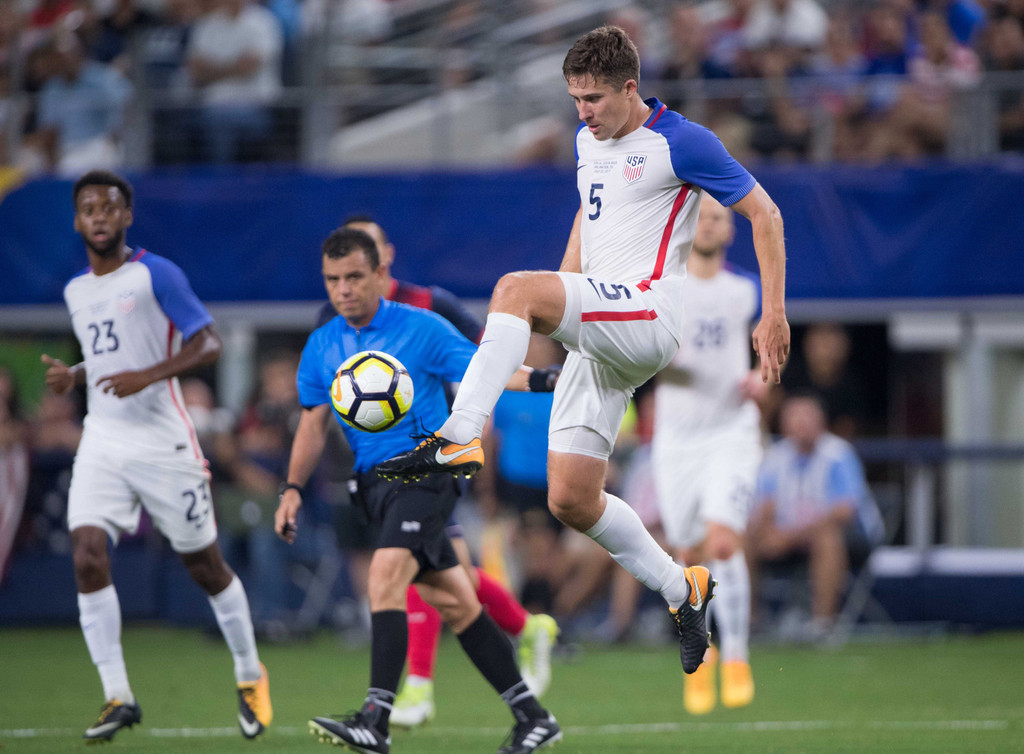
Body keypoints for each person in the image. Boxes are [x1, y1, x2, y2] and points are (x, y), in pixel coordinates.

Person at [378, 24, 791, 678]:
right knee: (570, 497)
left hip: (649, 312)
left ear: (631, 88)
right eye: (575, 98)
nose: (583, 111)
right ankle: (683, 590)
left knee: (512, 286)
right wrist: (562, 300)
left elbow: (765, 214)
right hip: (602, 322)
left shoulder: (681, 141)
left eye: (594, 98)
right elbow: (588, 219)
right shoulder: (587, 140)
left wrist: (772, 313)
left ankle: (458, 436)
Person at [274, 227, 561, 754]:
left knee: (385, 576)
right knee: (457, 602)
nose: (344, 289)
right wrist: (291, 488)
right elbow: (313, 424)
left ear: (379, 273)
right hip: (373, 484)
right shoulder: (321, 344)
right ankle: (532, 716)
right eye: (333, 280)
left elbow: (487, 369)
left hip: (427, 474)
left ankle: (374, 719)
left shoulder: (422, 328)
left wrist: (549, 379)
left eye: (354, 277)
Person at [40, 170, 272, 742]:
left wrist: (149, 375)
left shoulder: (155, 273)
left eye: (109, 207)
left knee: (205, 567)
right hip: (103, 439)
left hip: (164, 442)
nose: (98, 216)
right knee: (88, 553)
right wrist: (75, 375)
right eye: (88, 208)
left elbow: (207, 341)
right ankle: (118, 696)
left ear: (126, 217)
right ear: (77, 221)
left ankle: (249, 672)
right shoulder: (75, 291)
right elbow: (108, 354)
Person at [652, 194, 766, 715]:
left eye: (720, 217)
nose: (711, 224)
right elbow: (647, 357)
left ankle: (738, 655)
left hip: (730, 431)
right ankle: (705, 655)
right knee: (688, 555)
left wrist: (763, 377)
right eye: (703, 217)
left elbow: (768, 353)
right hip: (676, 438)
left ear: (730, 230)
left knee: (723, 541)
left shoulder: (743, 291)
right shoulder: (663, 287)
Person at [748, 392, 884, 638]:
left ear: (821, 420)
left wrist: (790, 537)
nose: (801, 423)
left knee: (827, 536)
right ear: (783, 423)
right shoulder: (776, 457)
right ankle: (748, 622)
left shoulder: (838, 454)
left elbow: (844, 512)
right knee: (744, 536)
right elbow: (765, 507)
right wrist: (767, 533)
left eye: (807, 416)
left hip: (848, 538)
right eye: (794, 416)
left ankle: (823, 625)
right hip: (788, 538)